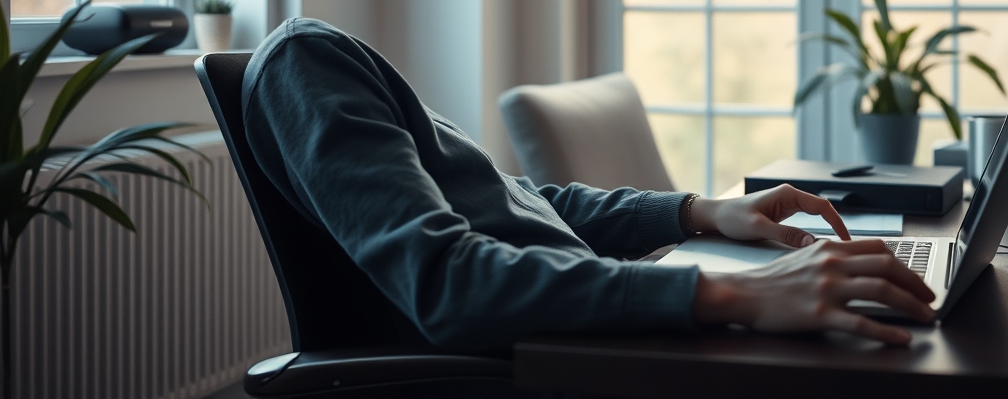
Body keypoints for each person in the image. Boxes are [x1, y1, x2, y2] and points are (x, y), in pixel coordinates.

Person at [243, 18, 936, 352]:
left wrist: (703, 213)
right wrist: (735, 292)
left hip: (596, 328)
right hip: (567, 361)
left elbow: (526, 202)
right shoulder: (305, 64)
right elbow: (448, 285)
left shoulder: (341, 70)